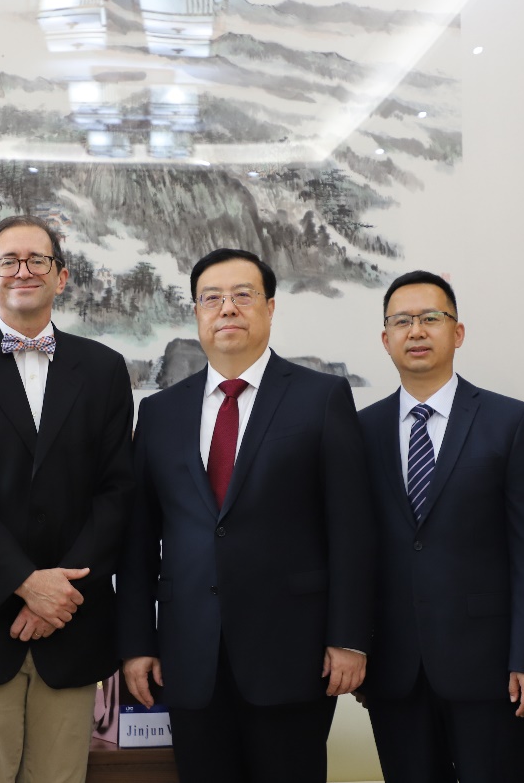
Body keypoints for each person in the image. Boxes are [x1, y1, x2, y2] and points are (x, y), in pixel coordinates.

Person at [118, 248, 375, 783]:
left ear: (270, 307)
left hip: (294, 652)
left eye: (242, 295)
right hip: (190, 655)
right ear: (196, 312)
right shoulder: (160, 411)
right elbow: (138, 541)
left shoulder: (321, 398)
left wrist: (348, 637)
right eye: (212, 298)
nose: (227, 308)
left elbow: (352, 530)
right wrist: (138, 644)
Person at [0, 215, 134, 783]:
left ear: (62, 276)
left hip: (71, 623)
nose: (23, 271)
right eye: (8, 261)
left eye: (38, 260)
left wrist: (59, 592)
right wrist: (23, 582)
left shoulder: (104, 369)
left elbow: (116, 491)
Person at [356, 270, 524, 782]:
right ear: (385, 339)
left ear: (458, 332)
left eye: (431, 318)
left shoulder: (510, 422)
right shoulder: (360, 430)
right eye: (402, 321)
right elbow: (353, 551)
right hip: (394, 670)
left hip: (492, 670)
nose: (416, 331)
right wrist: (357, 646)